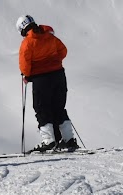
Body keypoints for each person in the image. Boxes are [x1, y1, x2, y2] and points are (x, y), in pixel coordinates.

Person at [17, 14, 78, 152]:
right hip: (59, 75)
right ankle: (69, 140)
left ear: (22, 29)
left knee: (42, 108)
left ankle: (49, 141)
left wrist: (28, 75)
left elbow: (24, 65)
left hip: (41, 79)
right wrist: (53, 62)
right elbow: (63, 51)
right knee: (59, 107)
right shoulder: (49, 36)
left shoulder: (27, 43)